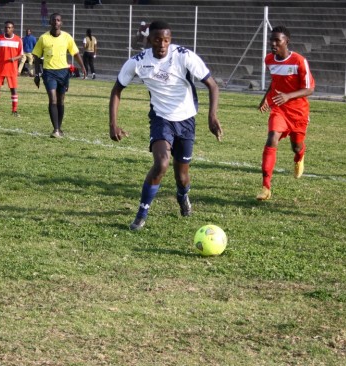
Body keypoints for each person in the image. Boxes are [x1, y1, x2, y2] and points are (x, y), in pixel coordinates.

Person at [109, 20, 223, 231]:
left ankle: (182, 195)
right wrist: (113, 124)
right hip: (161, 119)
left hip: (186, 120)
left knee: (182, 176)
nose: (162, 44)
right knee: (161, 164)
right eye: (157, 40)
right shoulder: (138, 62)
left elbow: (212, 85)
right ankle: (141, 214)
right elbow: (117, 90)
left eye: (166, 40)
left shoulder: (184, 56)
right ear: (149, 39)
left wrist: (212, 116)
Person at [256, 26, 315, 201]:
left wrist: (288, 95)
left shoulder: (299, 61)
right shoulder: (269, 60)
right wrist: (265, 99)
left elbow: (309, 89)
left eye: (277, 40)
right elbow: (275, 81)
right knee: (272, 137)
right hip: (279, 109)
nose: (273, 44)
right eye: (271, 40)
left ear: (286, 41)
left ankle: (300, 156)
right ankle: (266, 187)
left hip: (298, 112)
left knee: (296, 146)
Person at [32, 12, 87, 138]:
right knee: (53, 99)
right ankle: (55, 129)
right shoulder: (43, 38)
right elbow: (36, 56)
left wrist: (83, 67)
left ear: (61, 23)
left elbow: (75, 53)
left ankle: (59, 127)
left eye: (58, 20)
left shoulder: (67, 37)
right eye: (53, 20)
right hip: (49, 72)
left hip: (63, 72)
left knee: (61, 100)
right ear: (50, 22)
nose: (56, 22)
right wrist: (37, 74)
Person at [0, 20, 23, 116]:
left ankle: (14, 110)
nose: (7, 29)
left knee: (13, 89)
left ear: (13, 29)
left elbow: (21, 55)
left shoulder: (18, 39)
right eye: (6, 27)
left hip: (11, 68)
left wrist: (14, 58)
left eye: (9, 27)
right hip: (0, 67)